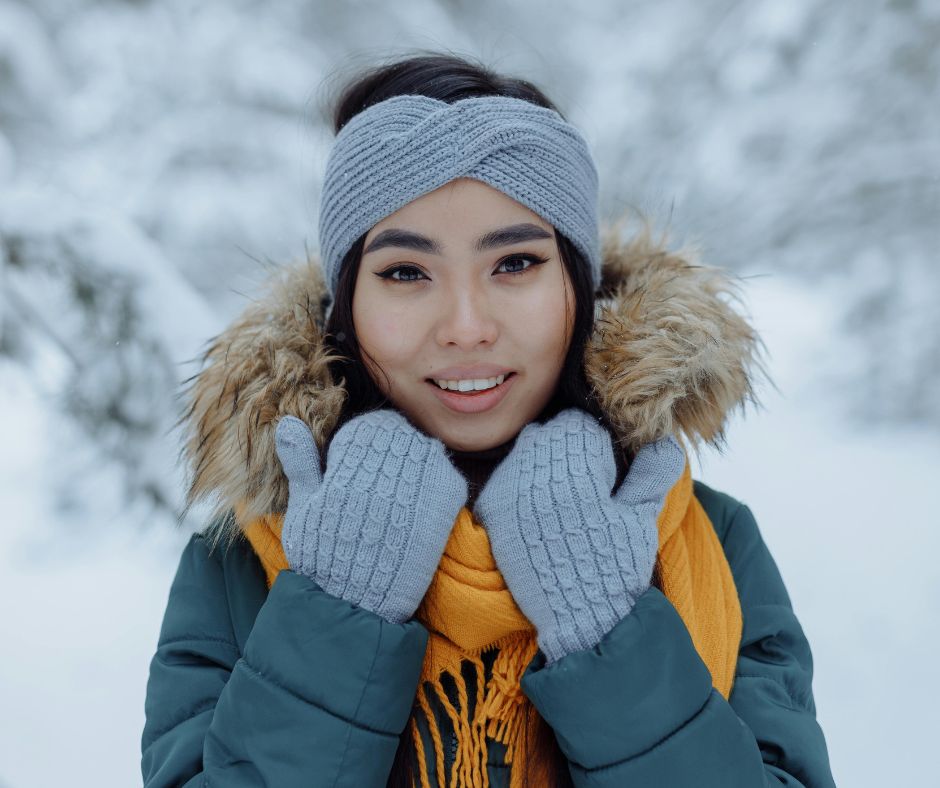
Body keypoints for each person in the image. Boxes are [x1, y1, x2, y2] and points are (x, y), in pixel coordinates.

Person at [141, 53, 837, 788]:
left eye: (515, 264)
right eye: (406, 272)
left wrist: (609, 631)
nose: (466, 328)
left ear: (581, 286)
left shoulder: (711, 542)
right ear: (345, 308)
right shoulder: (242, 565)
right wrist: (336, 614)